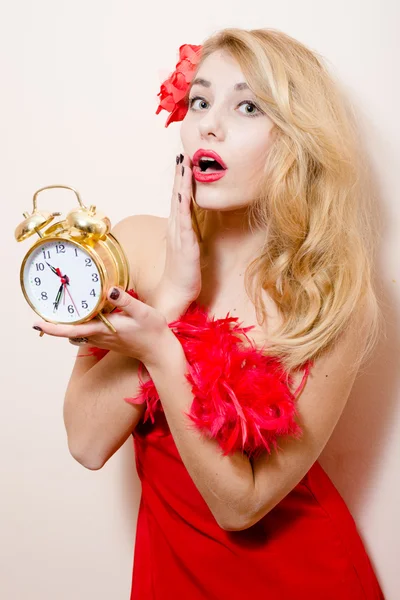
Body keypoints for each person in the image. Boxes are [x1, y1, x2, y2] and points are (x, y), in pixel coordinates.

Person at [33, 28, 385, 599]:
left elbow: (241, 506)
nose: (208, 125)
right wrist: (169, 299)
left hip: (306, 578)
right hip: (169, 576)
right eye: (200, 100)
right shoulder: (135, 248)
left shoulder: (333, 298)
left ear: (297, 141)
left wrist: (160, 351)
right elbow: (87, 443)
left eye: (246, 106)